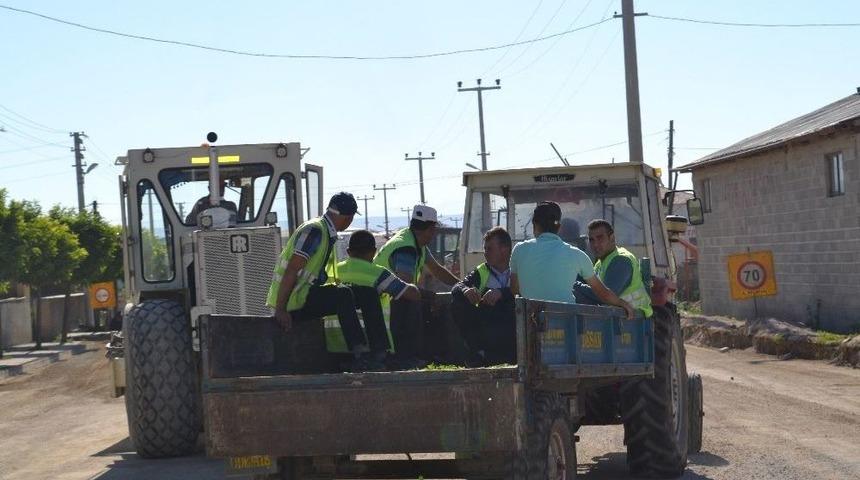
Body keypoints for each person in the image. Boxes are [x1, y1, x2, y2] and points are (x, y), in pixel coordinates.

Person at [266, 192, 377, 371]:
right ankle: (359, 355)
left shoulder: (326, 232)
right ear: (347, 217)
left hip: (304, 296)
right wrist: (280, 309)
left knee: (367, 293)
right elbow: (292, 269)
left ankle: (378, 353)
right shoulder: (315, 231)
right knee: (343, 295)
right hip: (294, 303)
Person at [509, 201, 635, 319]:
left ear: (534, 225)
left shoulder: (519, 250)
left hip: (528, 323)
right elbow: (604, 294)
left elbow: (514, 289)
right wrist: (623, 304)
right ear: (559, 227)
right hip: (566, 324)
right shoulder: (577, 255)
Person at [374, 204, 460, 368]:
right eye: (433, 229)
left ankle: (426, 354)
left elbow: (437, 270)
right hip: (385, 303)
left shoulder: (414, 242)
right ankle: (405, 357)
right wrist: (430, 297)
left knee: (423, 300)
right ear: (430, 229)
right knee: (413, 300)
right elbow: (404, 288)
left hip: (386, 299)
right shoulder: (406, 248)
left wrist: (460, 285)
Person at [335, 230, 422, 366]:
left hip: (334, 346)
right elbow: (413, 294)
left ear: (348, 252)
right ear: (374, 252)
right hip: (371, 348)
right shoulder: (377, 273)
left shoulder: (334, 270)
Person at [451, 226, 516, 367]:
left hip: (515, 331)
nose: (485, 253)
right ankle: (477, 353)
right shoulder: (481, 271)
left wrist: (501, 293)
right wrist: (466, 290)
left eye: (489, 249)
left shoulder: (519, 268)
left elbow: (525, 292)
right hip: (490, 332)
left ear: (504, 249)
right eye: (485, 249)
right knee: (458, 302)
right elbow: (457, 288)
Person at [574, 219, 653, 317]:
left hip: (633, 320)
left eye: (600, 238)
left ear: (612, 238)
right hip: (619, 320)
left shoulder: (621, 260)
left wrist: (574, 285)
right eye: (592, 240)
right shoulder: (600, 263)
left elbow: (604, 295)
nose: (595, 244)